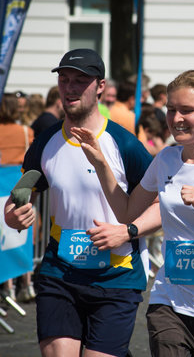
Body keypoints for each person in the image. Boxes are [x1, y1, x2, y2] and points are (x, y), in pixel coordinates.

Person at [71, 69, 194, 356]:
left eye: (187, 110)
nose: (176, 118)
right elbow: (127, 212)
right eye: (170, 109)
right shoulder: (165, 159)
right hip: (170, 303)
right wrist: (101, 163)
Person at [4, 48, 155, 357]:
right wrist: (14, 215)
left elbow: (160, 203)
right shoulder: (44, 142)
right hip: (61, 274)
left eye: (80, 81)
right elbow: (18, 198)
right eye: (64, 80)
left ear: (100, 86)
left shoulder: (125, 144)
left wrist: (127, 231)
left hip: (116, 277)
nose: (70, 88)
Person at [0, 92, 35, 303]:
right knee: (23, 235)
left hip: (2, 183)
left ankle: (9, 287)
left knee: (4, 236)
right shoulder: (25, 131)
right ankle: (27, 283)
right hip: (20, 184)